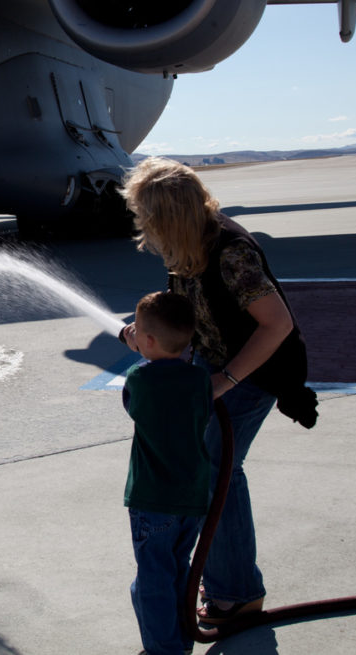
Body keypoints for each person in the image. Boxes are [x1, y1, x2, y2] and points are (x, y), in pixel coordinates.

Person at [119, 157, 317, 627]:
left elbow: (277, 325)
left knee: (215, 470)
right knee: (207, 468)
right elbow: (191, 310)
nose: (143, 225)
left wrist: (223, 382)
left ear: (169, 217)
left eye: (148, 215)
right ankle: (228, 578)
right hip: (214, 362)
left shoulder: (230, 252)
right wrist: (148, 333)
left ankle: (238, 594)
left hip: (253, 369)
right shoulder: (185, 244)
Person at [121, 291, 211, 655]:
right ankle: (180, 639)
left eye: (139, 332)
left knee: (153, 578)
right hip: (191, 497)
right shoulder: (200, 379)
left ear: (149, 340)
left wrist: (137, 351)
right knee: (178, 566)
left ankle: (164, 650)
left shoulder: (139, 378)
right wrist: (146, 344)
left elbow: (132, 404)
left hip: (153, 498)